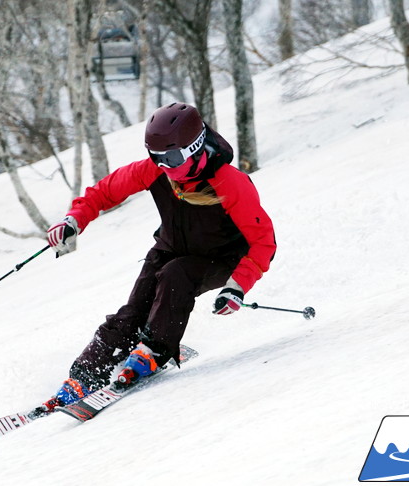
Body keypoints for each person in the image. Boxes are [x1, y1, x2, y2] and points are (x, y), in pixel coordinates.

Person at [42, 102, 276, 410]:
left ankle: (154, 350)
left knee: (176, 275)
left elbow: (264, 241)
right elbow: (105, 191)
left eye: (172, 158)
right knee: (133, 311)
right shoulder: (156, 171)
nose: (164, 166)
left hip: (221, 259)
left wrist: (237, 286)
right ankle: (85, 374)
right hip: (169, 248)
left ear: (194, 149)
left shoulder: (229, 182)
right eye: (157, 158)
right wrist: (74, 220)